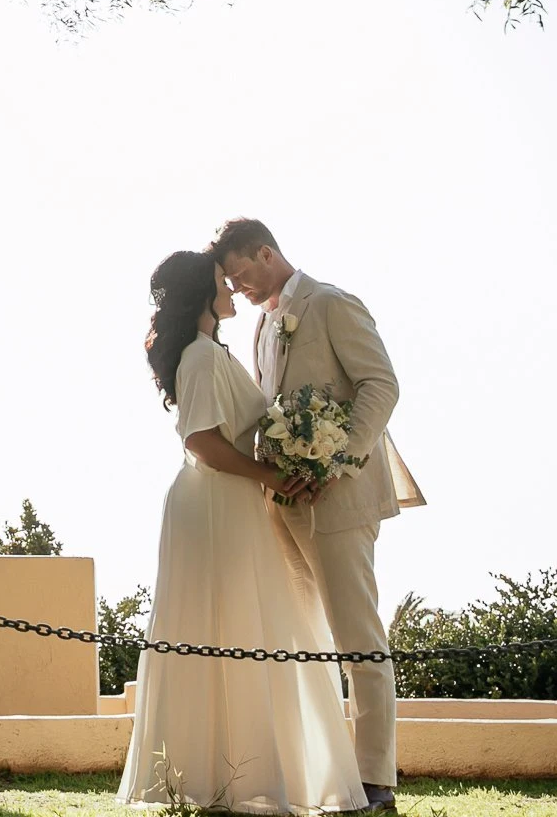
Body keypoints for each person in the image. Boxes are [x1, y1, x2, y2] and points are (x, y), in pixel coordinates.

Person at [119, 249, 366, 813]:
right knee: (224, 627)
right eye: (219, 283)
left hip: (228, 501)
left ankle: (241, 774)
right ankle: (217, 777)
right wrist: (273, 474)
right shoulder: (202, 356)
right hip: (213, 501)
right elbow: (202, 442)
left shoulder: (210, 351)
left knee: (241, 629)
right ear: (200, 295)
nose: (230, 289)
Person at [213, 218, 422, 812]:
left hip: (341, 496)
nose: (238, 286)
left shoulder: (331, 303)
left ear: (266, 251)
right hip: (283, 503)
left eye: (242, 273)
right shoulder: (259, 327)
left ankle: (375, 779)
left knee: (358, 634)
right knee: (299, 636)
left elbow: (380, 386)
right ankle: (316, 768)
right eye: (229, 280)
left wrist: (338, 460)